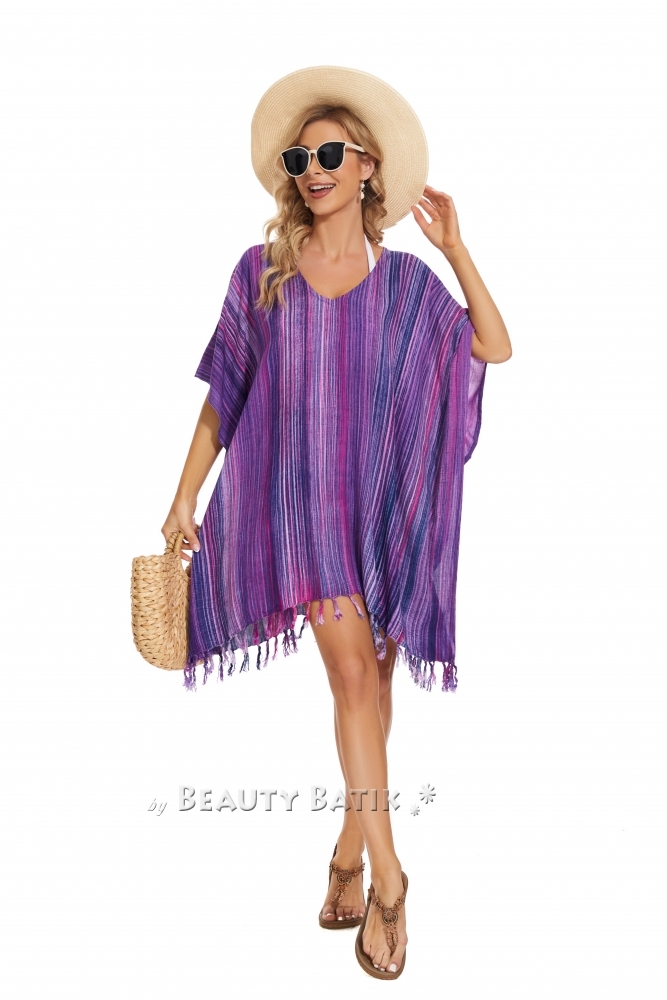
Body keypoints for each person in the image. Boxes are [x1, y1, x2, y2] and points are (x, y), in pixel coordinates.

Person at [161, 66, 511, 980]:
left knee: (374, 689)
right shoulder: (262, 274)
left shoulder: (406, 286)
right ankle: (391, 884)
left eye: (328, 155)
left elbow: (492, 345)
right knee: (355, 678)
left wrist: (456, 249)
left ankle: (347, 855)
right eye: (298, 159)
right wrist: (184, 495)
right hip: (300, 517)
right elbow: (223, 396)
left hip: (379, 514)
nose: (311, 171)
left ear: (365, 167)